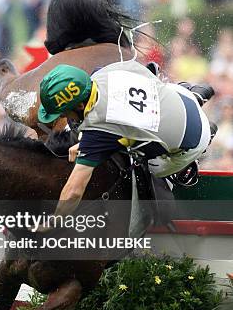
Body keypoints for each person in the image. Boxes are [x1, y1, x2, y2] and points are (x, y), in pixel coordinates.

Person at [37, 61, 215, 219]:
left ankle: (185, 165)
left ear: (80, 105)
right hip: (180, 97)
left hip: (192, 142)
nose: (65, 117)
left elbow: (74, 191)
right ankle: (194, 96)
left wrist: (54, 219)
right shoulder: (104, 72)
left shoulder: (98, 130)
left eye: (64, 112)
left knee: (146, 165)